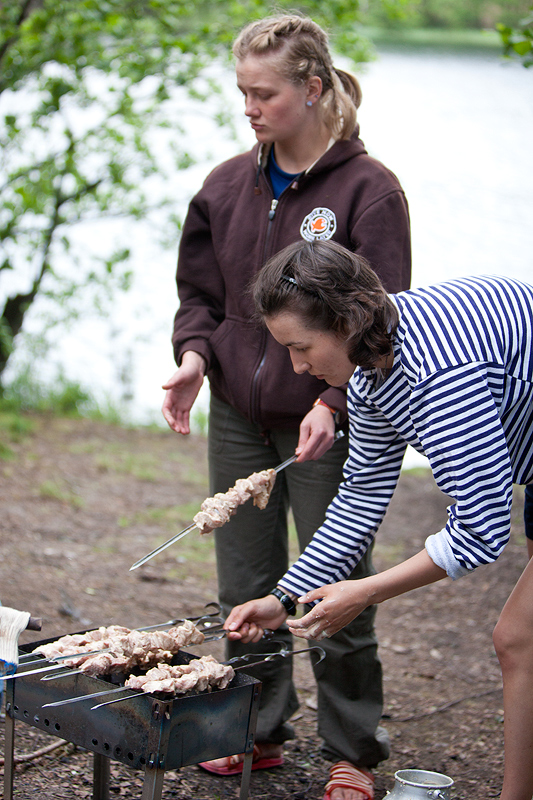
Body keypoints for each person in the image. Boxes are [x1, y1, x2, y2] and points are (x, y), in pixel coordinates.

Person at [161, 13, 411, 800]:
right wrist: (195, 360)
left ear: (312, 89)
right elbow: (199, 294)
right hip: (238, 409)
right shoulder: (226, 185)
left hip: (335, 419)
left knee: (334, 582)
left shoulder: (367, 191)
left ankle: (352, 749)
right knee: (244, 582)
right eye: (241, 92)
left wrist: (337, 397)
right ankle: (255, 729)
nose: (249, 107)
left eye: (263, 92)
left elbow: (385, 313)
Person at [224, 238, 533, 800]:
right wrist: (284, 597)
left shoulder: (440, 373)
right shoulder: (370, 369)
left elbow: (482, 530)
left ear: (345, 320)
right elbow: (361, 498)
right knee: (528, 643)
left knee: (517, 639)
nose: (296, 367)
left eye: (301, 347)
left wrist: (366, 591)